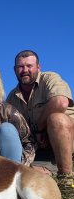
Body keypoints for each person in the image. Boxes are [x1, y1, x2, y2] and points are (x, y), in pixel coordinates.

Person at [7, 50, 74, 189]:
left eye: (29, 66)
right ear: (14, 70)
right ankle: (48, 171)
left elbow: (61, 102)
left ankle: (66, 179)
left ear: (38, 67)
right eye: (20, 67)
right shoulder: (12, 97)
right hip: (41, 148)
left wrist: (38, 129)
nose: (25, 70)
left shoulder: (50, 78)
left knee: (57, 119)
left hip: (67, 139)